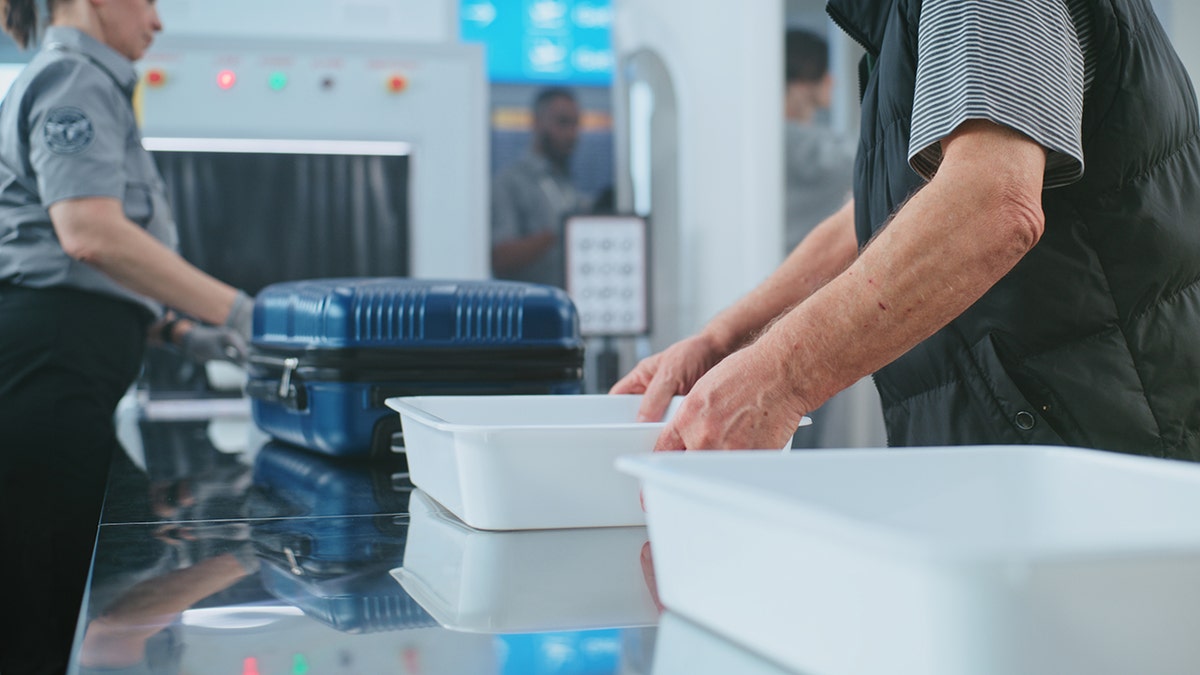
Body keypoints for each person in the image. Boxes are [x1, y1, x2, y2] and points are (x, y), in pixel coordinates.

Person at [612, 0, 1200, 459]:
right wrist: (723, 343)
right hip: (1042, 442)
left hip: (1097, 445)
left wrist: (778, 378)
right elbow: (875, 220)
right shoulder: (900, 22)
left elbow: (990, 204)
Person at [0, 1, 254, 672]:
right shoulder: (73, 79)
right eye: (147, 0)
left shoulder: (88, 83)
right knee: (44, 614)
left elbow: (78, 265)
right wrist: (238, 313)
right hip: (49, 372)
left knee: (83, 589)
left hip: (64, 368)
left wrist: (176, 332)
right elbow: (88, 234)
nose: (158, 21)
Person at [490, 86, 590, 288]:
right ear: (536, 123)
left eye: (575, 124)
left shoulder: (566, 182)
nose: (571, 134)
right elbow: (499, 259)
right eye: (562, 122)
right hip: (530, 311)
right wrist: (558, 231)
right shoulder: (510, 182)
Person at [783, 28, 854, 252]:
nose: (833, 82)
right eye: (825, 72)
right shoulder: (799, 144)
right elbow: (866, 159)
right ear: (803, 81)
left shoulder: (797, 141)